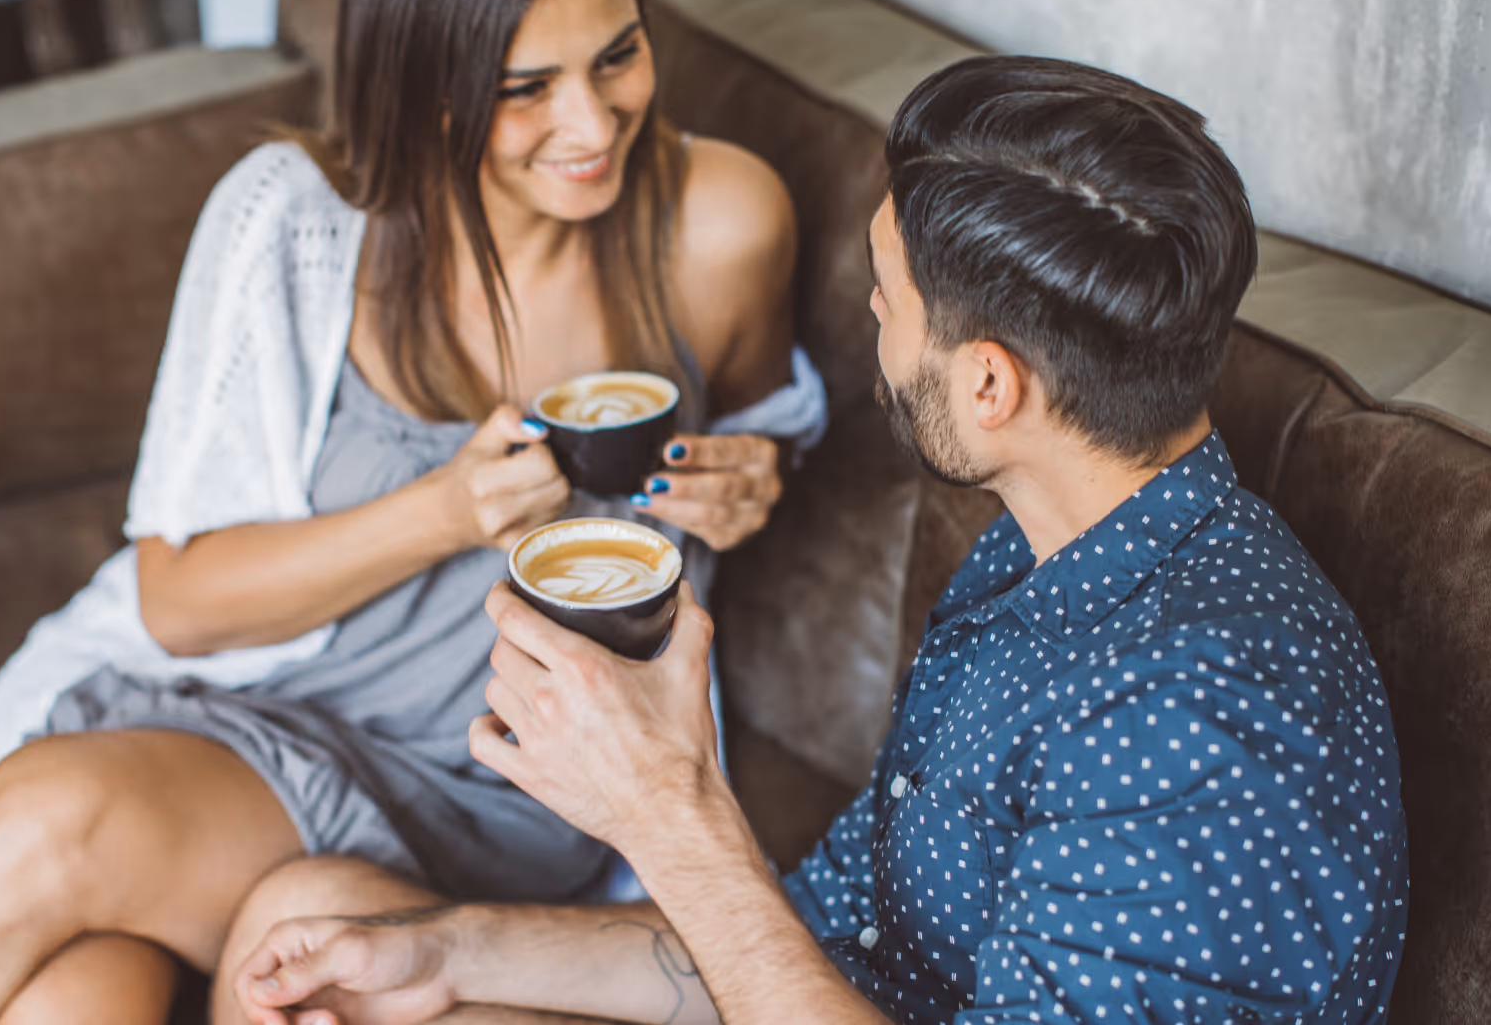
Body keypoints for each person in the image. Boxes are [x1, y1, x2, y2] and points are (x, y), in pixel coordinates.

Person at [222, 56, 1410, 1025]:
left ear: (989, 386)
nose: (873, 319)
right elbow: (813, 945)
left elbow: (754, 930)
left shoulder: (1203, 708)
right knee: (321, 924)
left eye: (887, 301)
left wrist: (666, 814)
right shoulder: (1044, 560)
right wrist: (454, 957)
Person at [0, 0, 827, 1022]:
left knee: (50, 821)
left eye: (618, 56)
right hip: (258, 719)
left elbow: (761, 447)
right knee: (72, 993)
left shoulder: (721, 221)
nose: (592, 122)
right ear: (422, 79)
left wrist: (751, 486)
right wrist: (437, 515)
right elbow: (179, 602)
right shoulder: (296, 222)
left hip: (495, 781)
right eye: (524, 88)